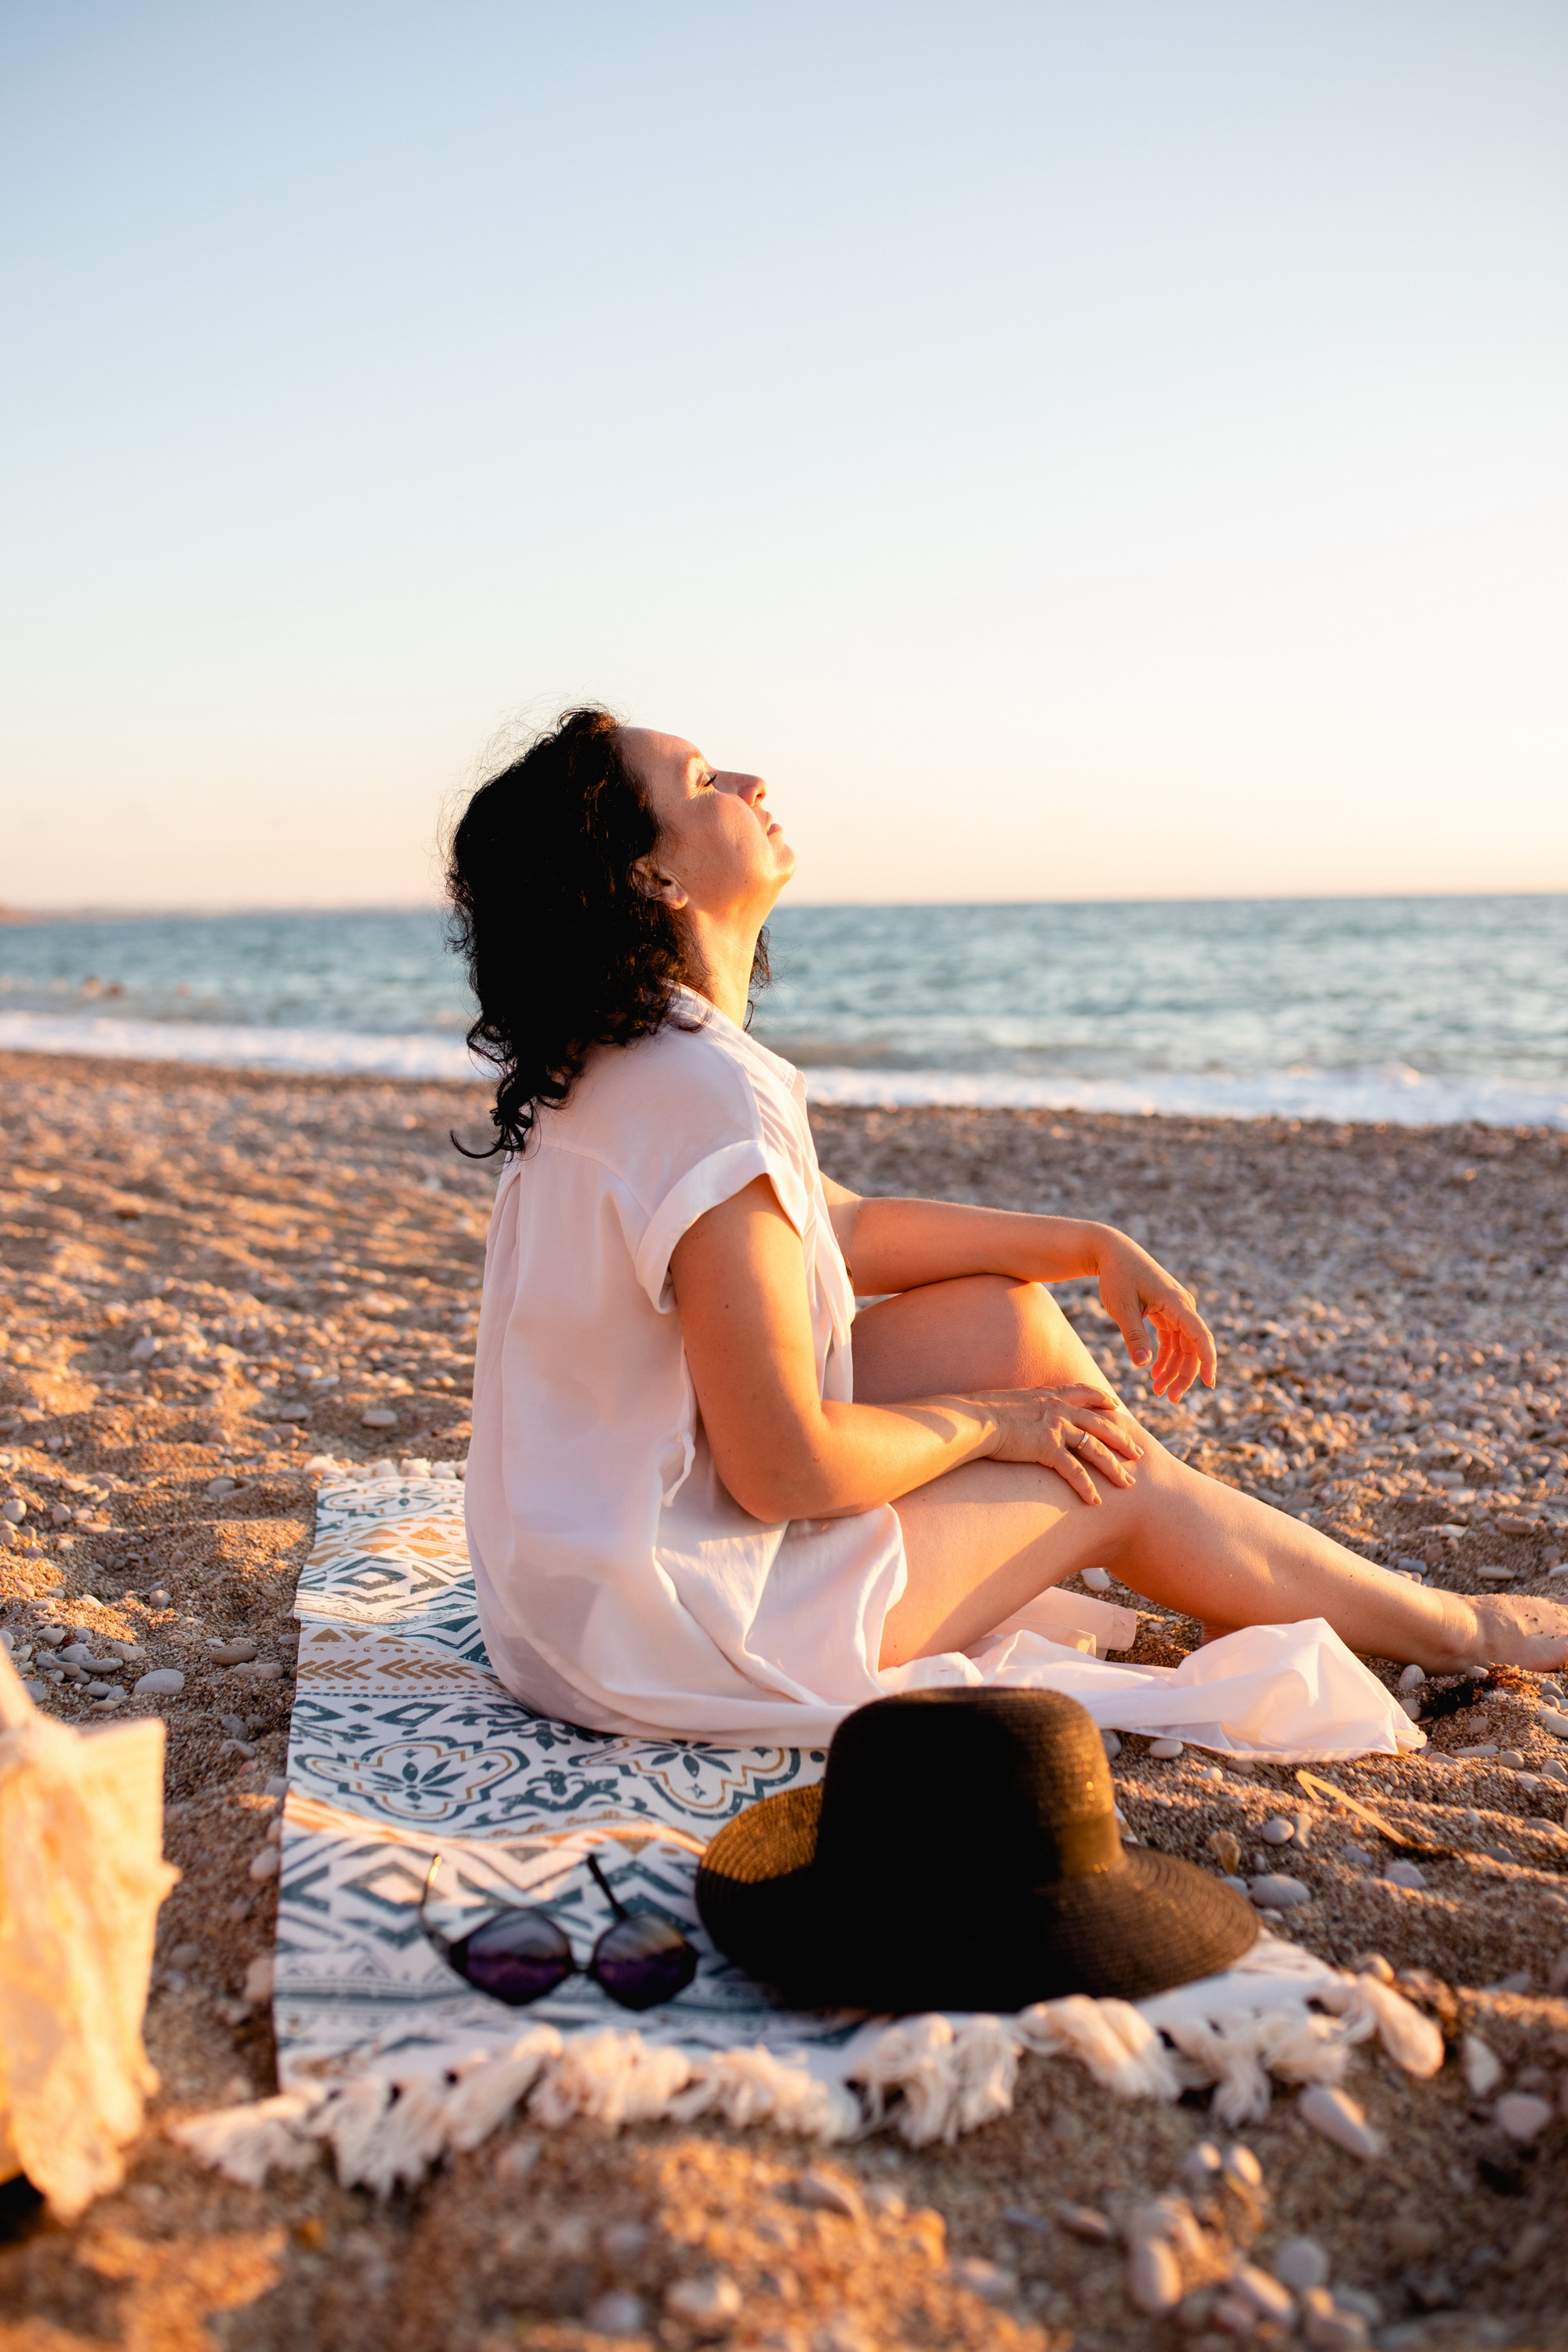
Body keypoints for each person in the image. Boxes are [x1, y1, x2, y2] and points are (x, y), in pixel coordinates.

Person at [449, 707, 1568, 1746]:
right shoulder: (697, 1090)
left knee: (1007, 1322)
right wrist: (994, 1428)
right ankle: (1457, 1630)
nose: (748, 781)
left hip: (569, 1596)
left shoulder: (632, 1063)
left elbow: (839, 1229)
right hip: (670, 1642)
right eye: (703, 781)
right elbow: (783, 1471)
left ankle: (1187, 1545)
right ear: (650, 872)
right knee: (1107, 1464)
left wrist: (1087, 1245)